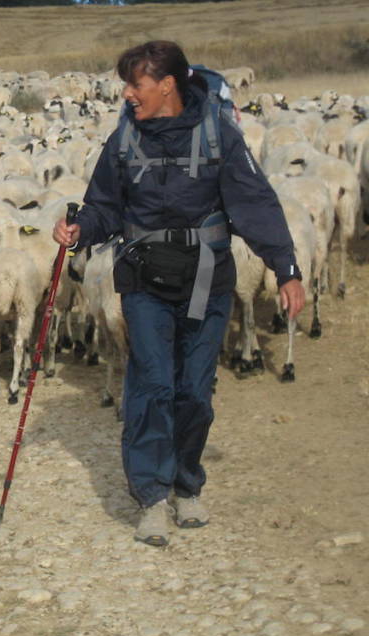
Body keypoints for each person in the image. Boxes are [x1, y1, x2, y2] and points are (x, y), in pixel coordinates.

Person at [52, 40, 305, 547]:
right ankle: (150, 496)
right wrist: (81, 231)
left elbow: (256, 203)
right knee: (151, 385)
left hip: (206, 279)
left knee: (193, 389)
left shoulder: (220, 136)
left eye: (135, 84)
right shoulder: (123, 140)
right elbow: (103, 205)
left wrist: (287, 268)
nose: (127, 94)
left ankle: (186, 483)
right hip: (144, 279)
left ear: (166, 85)